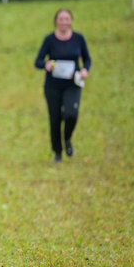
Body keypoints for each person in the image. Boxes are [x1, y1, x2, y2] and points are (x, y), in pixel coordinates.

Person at [34, 9, 91, 163]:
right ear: (56, 21)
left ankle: (67, 138)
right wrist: (46, 64)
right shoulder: (49, 40)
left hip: (73, 83)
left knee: (71, 114)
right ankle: (58, 152)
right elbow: (38, 61)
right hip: (53, 85)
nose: (64, 22)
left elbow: (87, 59)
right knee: (55, 119)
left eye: (67, 19)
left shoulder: (78, 39)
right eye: (61, 19)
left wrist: (85, 70)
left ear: (71, 21)